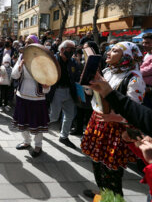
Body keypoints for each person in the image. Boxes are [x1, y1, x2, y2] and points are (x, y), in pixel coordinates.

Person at [81, 42, 145, 198]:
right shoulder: (106, 71)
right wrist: (87, 79)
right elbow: (91, 94)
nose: (108, 53)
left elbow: (134, 112)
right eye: (110, 49)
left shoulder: (134, 79)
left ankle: (113, 199)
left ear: (127, 56)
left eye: (115, 51)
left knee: (112, 172)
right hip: (97, 121)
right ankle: (102, 194)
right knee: (97, 164)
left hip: (116, 128)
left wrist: (113, 117)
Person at [12, 51, 50, 157]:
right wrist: (19, 67)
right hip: (22, 94)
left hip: (37, 97)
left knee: (37, 122)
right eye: (27, 43)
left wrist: (46, 87)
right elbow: (14, 75)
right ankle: (26, 141)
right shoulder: (22, 57)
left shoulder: (43, 59)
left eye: (31, 42)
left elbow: (49, 77)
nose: (28, 45)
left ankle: (38, 145)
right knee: (22, 120)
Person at [48, 40, 79, 149]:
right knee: (54, 116)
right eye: (71, 49)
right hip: (57, 91)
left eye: (74, 49)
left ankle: (64, 136)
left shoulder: (73, 62)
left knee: (70, 115)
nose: (73, 52)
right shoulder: (53, 60)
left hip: (69, 92)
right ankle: (40, 125)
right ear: (62, 49)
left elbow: (76, 76)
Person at [141, 33, 152, 109]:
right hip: (144, 88)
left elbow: (149, 70)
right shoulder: (146, 54)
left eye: (147, 43)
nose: (144, 45)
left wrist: (136, 72)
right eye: (143, 43)